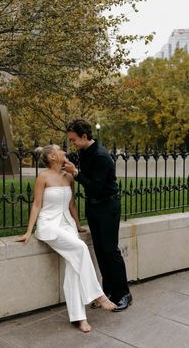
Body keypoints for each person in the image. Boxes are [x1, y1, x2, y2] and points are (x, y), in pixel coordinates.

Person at [16, 144, 117, 333]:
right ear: (53, 156)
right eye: (60, 150)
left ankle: (79, 317)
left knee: (73, 267)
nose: (65, 151)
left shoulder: (69, 176)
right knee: (80, 249)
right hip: (49, 225)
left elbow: (72, 205)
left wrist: (77, 225)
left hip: (67, 224)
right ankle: (98, 295)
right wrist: (29, 231)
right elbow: (37, 205)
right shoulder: (43, 177)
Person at [64, 118, 132, 311]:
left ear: (84, 136)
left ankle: (124, 293)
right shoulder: (83, 151)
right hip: (93, 207)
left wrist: (76, 173)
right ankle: (109, 292)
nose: (73, 144)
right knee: (101, 252)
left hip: (108, 206)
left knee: (110, 250)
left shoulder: (102, 156)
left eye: (74, 139)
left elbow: (95, 186)